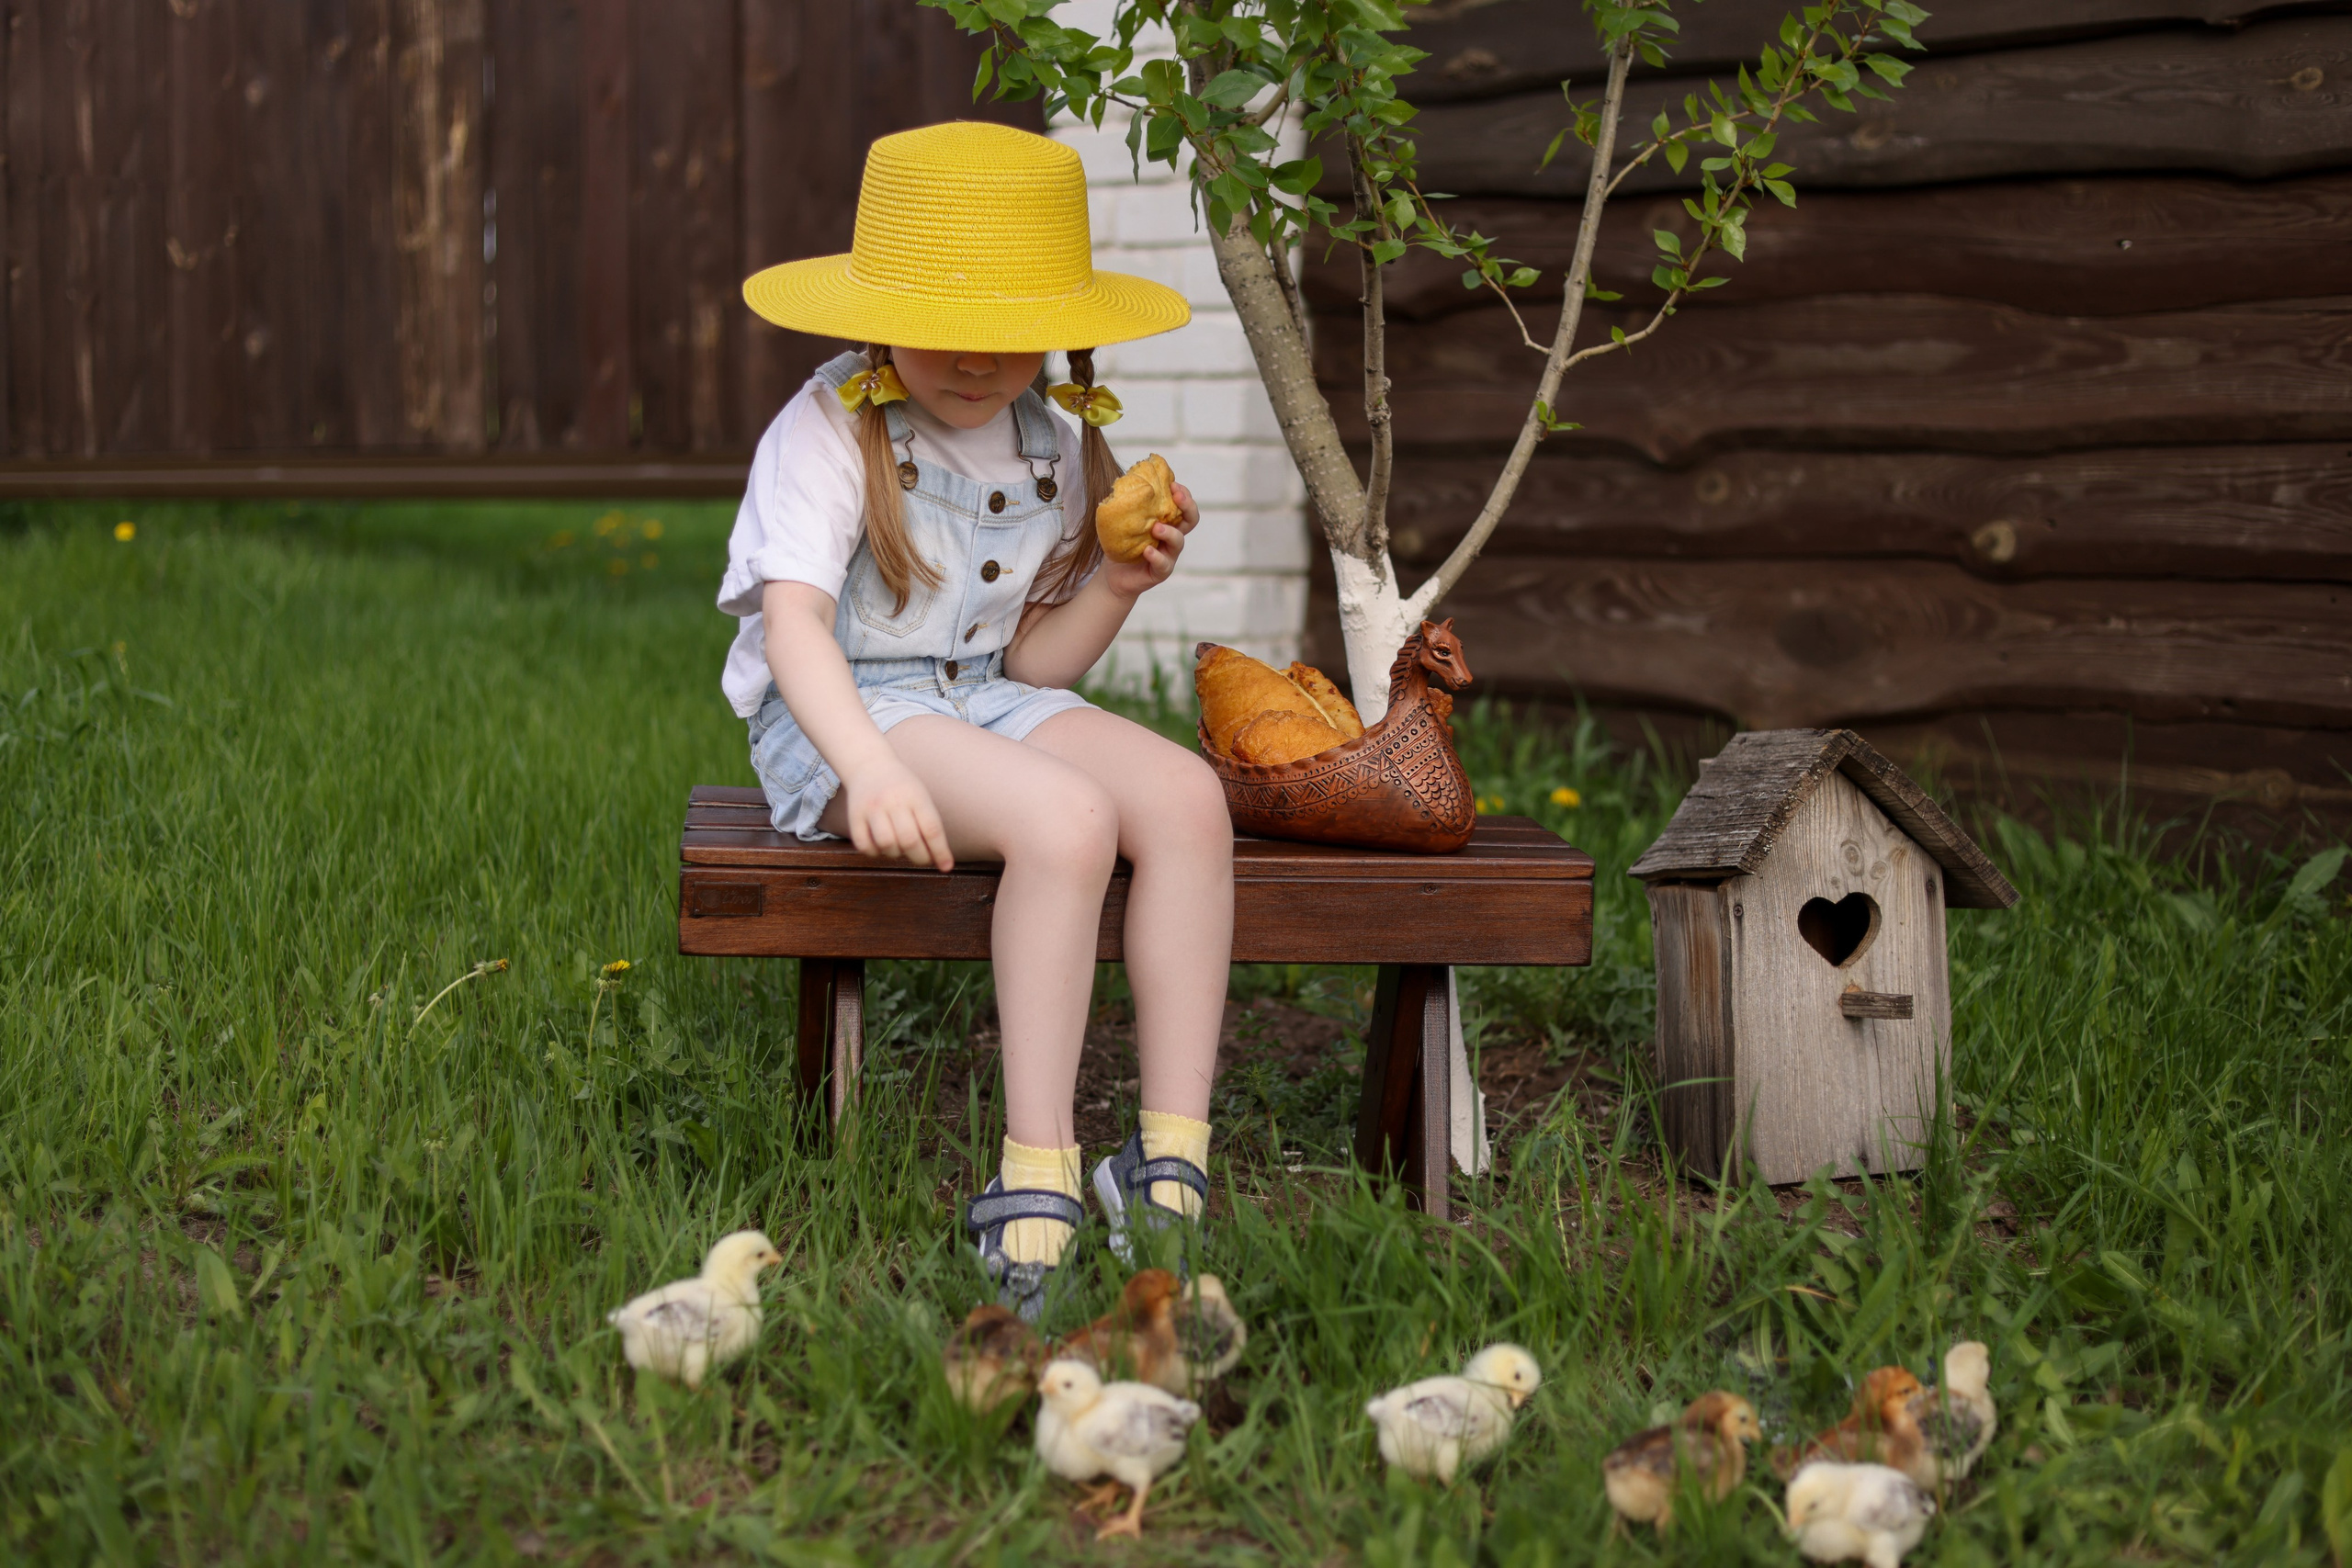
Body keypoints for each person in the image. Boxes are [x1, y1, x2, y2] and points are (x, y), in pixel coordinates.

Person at [717, 121, 1233, 1319]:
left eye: (1011, 326)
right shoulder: (830, 426)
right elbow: (795, 626)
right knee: (1065, 822)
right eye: (945, 315)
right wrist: (867, 765)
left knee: (1188, 801)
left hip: (975, 696)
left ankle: (1167, 1164)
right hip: (842, 713)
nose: (975, 355)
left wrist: (1116, 584)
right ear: (879, 302)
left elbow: (1028, 658)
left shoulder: (1055, 442)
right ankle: (1035, 1175)